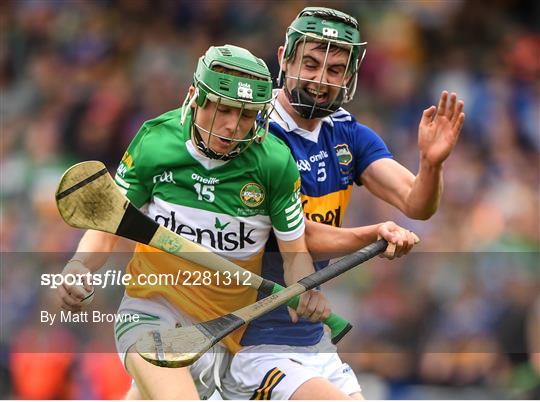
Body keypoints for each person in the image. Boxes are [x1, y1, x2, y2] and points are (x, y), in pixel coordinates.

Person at [58, 43, 418, 399]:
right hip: (152, 309)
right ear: (195, 97)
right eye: (224, 110)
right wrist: (80, 265)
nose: (233, 126)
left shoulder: (273, 162)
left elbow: (295, 253)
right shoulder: (155, 141)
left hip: (224, 333)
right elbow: (109, 222)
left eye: (246, 115)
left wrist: (304, 289)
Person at [223, 7, 465, 400]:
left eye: (334, 70)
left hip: (309, 337)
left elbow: (416, 203)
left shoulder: (347, 134)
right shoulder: (254, 134)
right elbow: (289, 232)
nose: (321, 80)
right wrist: (372, 233)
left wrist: (431, 164)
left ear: (349, 77)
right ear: (284, 58)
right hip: (248, 339)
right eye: (312, 64)